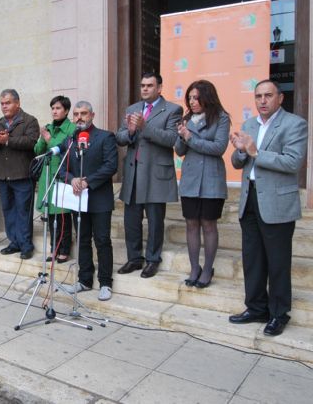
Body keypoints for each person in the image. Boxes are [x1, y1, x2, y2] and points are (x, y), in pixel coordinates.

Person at [228, 79, 308, 337]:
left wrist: (254, 152)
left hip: (277, 203)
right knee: (253, 260)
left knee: (277, 263)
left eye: (268, 95)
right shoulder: (250, 124)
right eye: (258, 96)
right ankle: (256, 307)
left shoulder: (295, 124)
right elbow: (239, 161)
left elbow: (293, 162)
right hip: (250, 200)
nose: (262, 101)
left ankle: (278, 314)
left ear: (280, 98)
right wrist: (240, 151)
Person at [116, 72, 182, 278]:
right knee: (131, 221)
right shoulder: (132, 109)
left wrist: (145, 127)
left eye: (149, 85)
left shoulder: (172, 109)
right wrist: (132, 132)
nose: (144, 89)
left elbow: (171, 138)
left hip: (155, 173)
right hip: (134, 172)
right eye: (142, 85)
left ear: (159, 88)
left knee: (155, 220)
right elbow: (120, 136)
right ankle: (134, 258)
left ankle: (153, 260)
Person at [54, 102, 118, 300]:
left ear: (93, 114)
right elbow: (62, 169)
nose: (79, 117)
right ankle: (84, 280)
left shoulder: (105, 137)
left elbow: (111, 166)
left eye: (83, 113)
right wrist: (72, 179)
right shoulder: (70, 140)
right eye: (76, 114)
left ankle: (105, 282)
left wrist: (88, 182)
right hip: (77, 200)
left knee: (102, 240)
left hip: (99, 198)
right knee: (82, 240)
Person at [174, 80, 230, 288]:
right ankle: (194, 267)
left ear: (208, 97)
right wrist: (181, 135)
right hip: (190, 180)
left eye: (196, 97)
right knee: (191, 224)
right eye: (189, 97)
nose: (192, 101)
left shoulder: (221, 118)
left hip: (211, 180)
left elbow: (219, 148)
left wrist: (190, 137)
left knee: (208, 224)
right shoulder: (186, 119)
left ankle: (207, 269)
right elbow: (180, 150)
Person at [0, 89, 40, 259]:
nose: (4, 106)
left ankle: (26, 245)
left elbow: (31, 142)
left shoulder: (30, 120)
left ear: (17, 103)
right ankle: (14, 242)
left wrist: (7, 140)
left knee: (23, 211)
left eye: (7, 103)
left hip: (22, 174)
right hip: (3, 175)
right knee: (8, 211)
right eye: (2, 103)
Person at [34, 95, 76, 263]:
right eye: (53, 108)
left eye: (58, 108)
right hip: (47, 176)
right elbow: (38, 151)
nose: (54, 111)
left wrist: (49, 139)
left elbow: (62, 148)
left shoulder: (71, 129)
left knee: (63, 214)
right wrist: (43, 138)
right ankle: (54, 249)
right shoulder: (48, 127)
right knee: (51, 215)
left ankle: (64, 249)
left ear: (66, 111)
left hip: (63, 174)